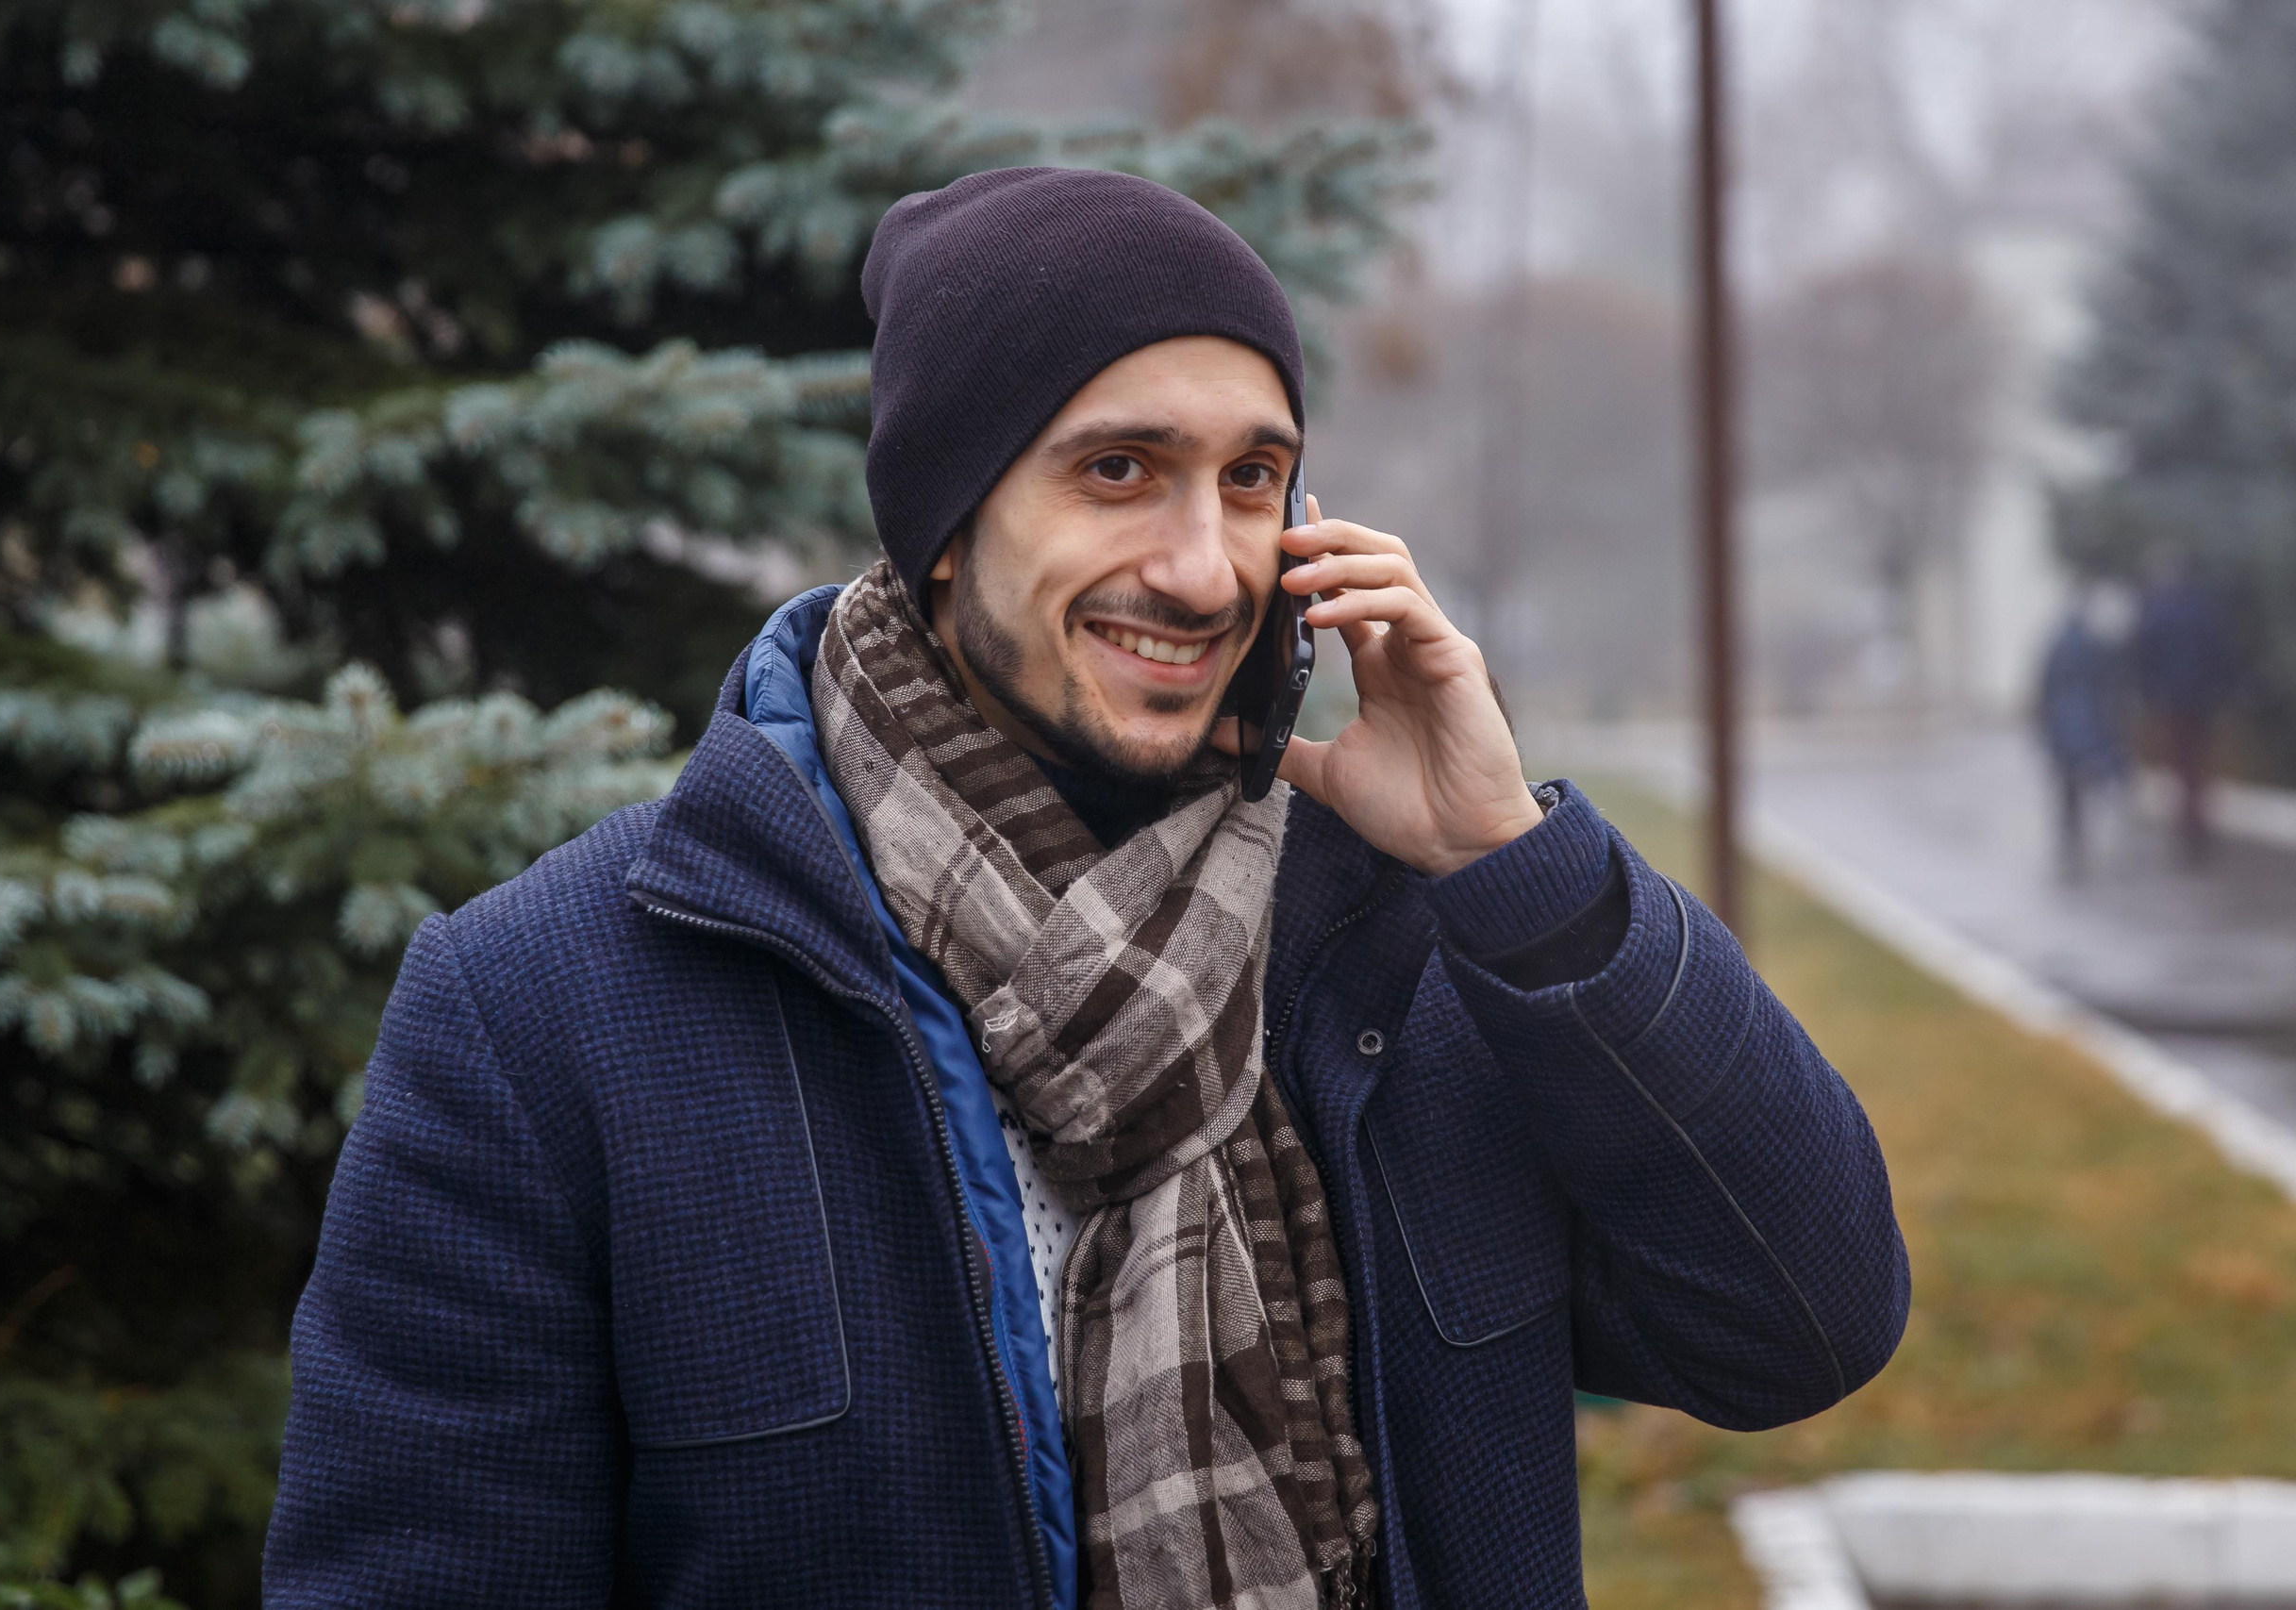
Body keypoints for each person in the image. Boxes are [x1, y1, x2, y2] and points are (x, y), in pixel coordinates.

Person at [264, 169, 1907, 1610]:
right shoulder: (548, 1014)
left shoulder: (1399, 947)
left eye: (1252, 478)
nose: (1202, 567)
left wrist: (1513, 866)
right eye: (1118, 469)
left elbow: (1804, 1320)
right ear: (944, 521)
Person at [2135, 554, 2236, 864]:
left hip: (2172, 702)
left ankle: (2188, 828)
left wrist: (2150, 693)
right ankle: (2196, 826)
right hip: (2201, 701)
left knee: (2180, 766)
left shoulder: (2158, 611)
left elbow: (2142, 655)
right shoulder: (2203, 608)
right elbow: (2222, 651)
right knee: (2198, 766)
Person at [2036, 589, 2134, 878]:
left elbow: (2046, 683)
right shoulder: (2093, 644)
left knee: (2067, 781)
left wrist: (2044, 719)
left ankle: (2071, 830)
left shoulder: (2057, 644)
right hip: (2088, 718)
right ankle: (2081, 829)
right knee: (2087, 774)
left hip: (2063, 720)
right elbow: (2107, 683)